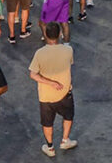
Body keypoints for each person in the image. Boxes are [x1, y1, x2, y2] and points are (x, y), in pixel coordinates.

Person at [28, 23, 77, 157]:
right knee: (68, 116)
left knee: (47, 122)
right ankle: (65, 140)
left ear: (45, 35)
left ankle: (50, 147)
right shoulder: (68, 50)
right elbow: (69, 64)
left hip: (46, 96)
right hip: (65, 93)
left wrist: (50, 82)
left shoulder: (39, 53)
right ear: (60, 34)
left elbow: (33, 74)